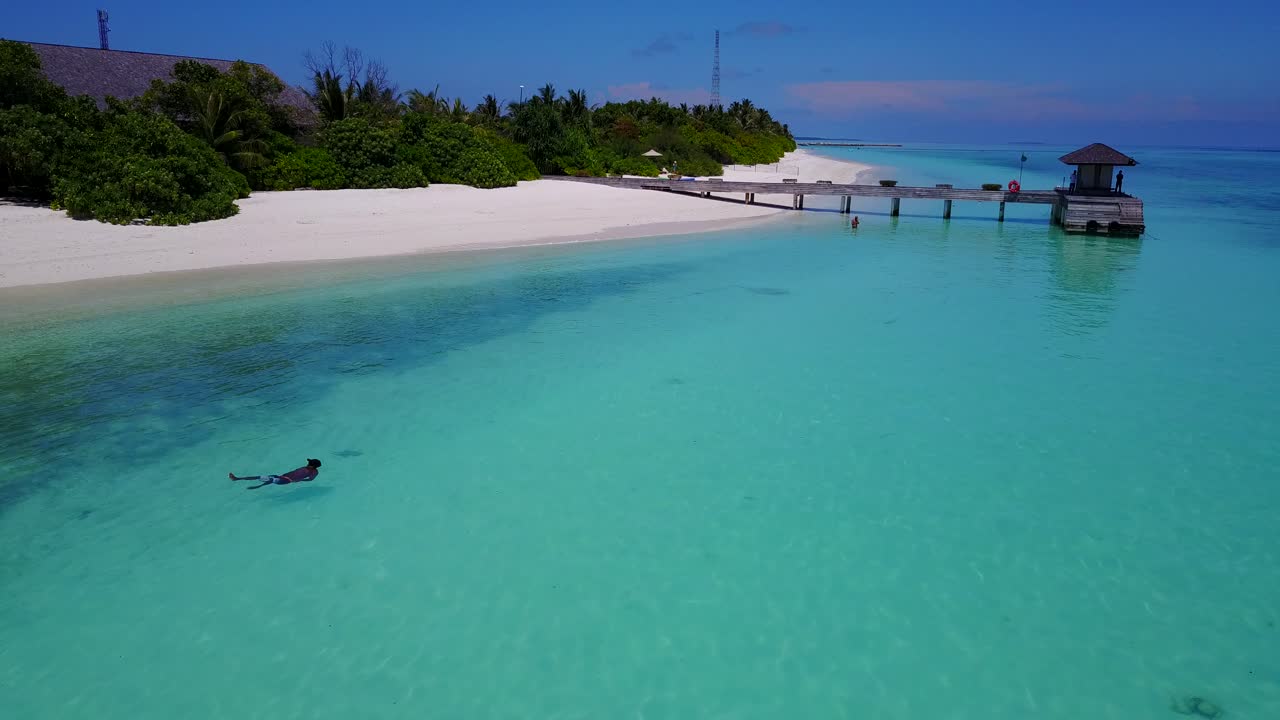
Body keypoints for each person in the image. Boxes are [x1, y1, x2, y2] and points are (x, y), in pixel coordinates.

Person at [230, 458, 321, 490]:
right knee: (262, 477)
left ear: (312, 466)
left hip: (286, 480)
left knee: (270, 479)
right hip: (282, 476)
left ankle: (258, 486)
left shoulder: (313, 472)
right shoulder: (307, 467)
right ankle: (237, 478)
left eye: (309, 463)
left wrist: (299, 480)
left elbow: (310, 479)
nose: (307, 463)